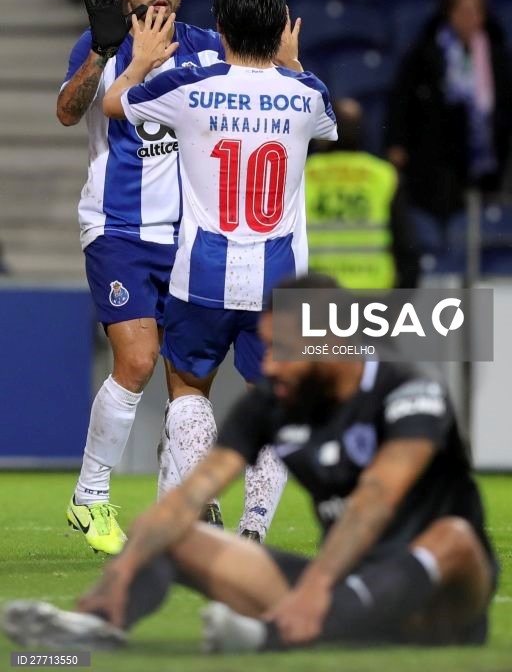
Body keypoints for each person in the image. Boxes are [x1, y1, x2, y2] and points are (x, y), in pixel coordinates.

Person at [2, 273, 497, 653]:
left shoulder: (410, 390)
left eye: (284, 350)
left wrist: (317, 586)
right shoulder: (277, 402)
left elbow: (376, 500)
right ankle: (98, 627)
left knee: (452, 537)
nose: (270, 365)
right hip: (341, 583)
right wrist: (128, 565)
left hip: (444, 603)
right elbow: (193, 493)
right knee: (181, 531)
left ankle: (271, 634)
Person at [102, 0, 337, 542]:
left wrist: (138, 58)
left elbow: (113, 105)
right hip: (277, 282)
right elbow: (327, 126)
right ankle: (254, 528)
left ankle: (205, 499)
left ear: (222, 28)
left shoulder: (188, 86)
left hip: (201, 274)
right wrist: (293, 63)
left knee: (185, 390)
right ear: (281, 27)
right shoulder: (308, 95)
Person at [57, 0, 227, 555]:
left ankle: (177, 504)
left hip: (189, 237)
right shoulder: (100, 43)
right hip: (119, 228)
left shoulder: (207, 49)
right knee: (135, 361)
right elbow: (70, 111)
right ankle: (90, 496)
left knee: (190, 382)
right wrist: (109, 54)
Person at [386, 0, 512, 225]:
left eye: (475, 11)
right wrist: (397, 142)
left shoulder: (497, 56)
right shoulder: (427, 52)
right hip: (437, 152)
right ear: (449, 14)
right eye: (463, 10)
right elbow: (402, 99)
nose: (469, 17)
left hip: (486, 154)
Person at [306, 98, 420, 290]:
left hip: (318, 294)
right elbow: (407, 246)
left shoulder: (302, 174)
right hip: (373, 295)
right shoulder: (384, 175)